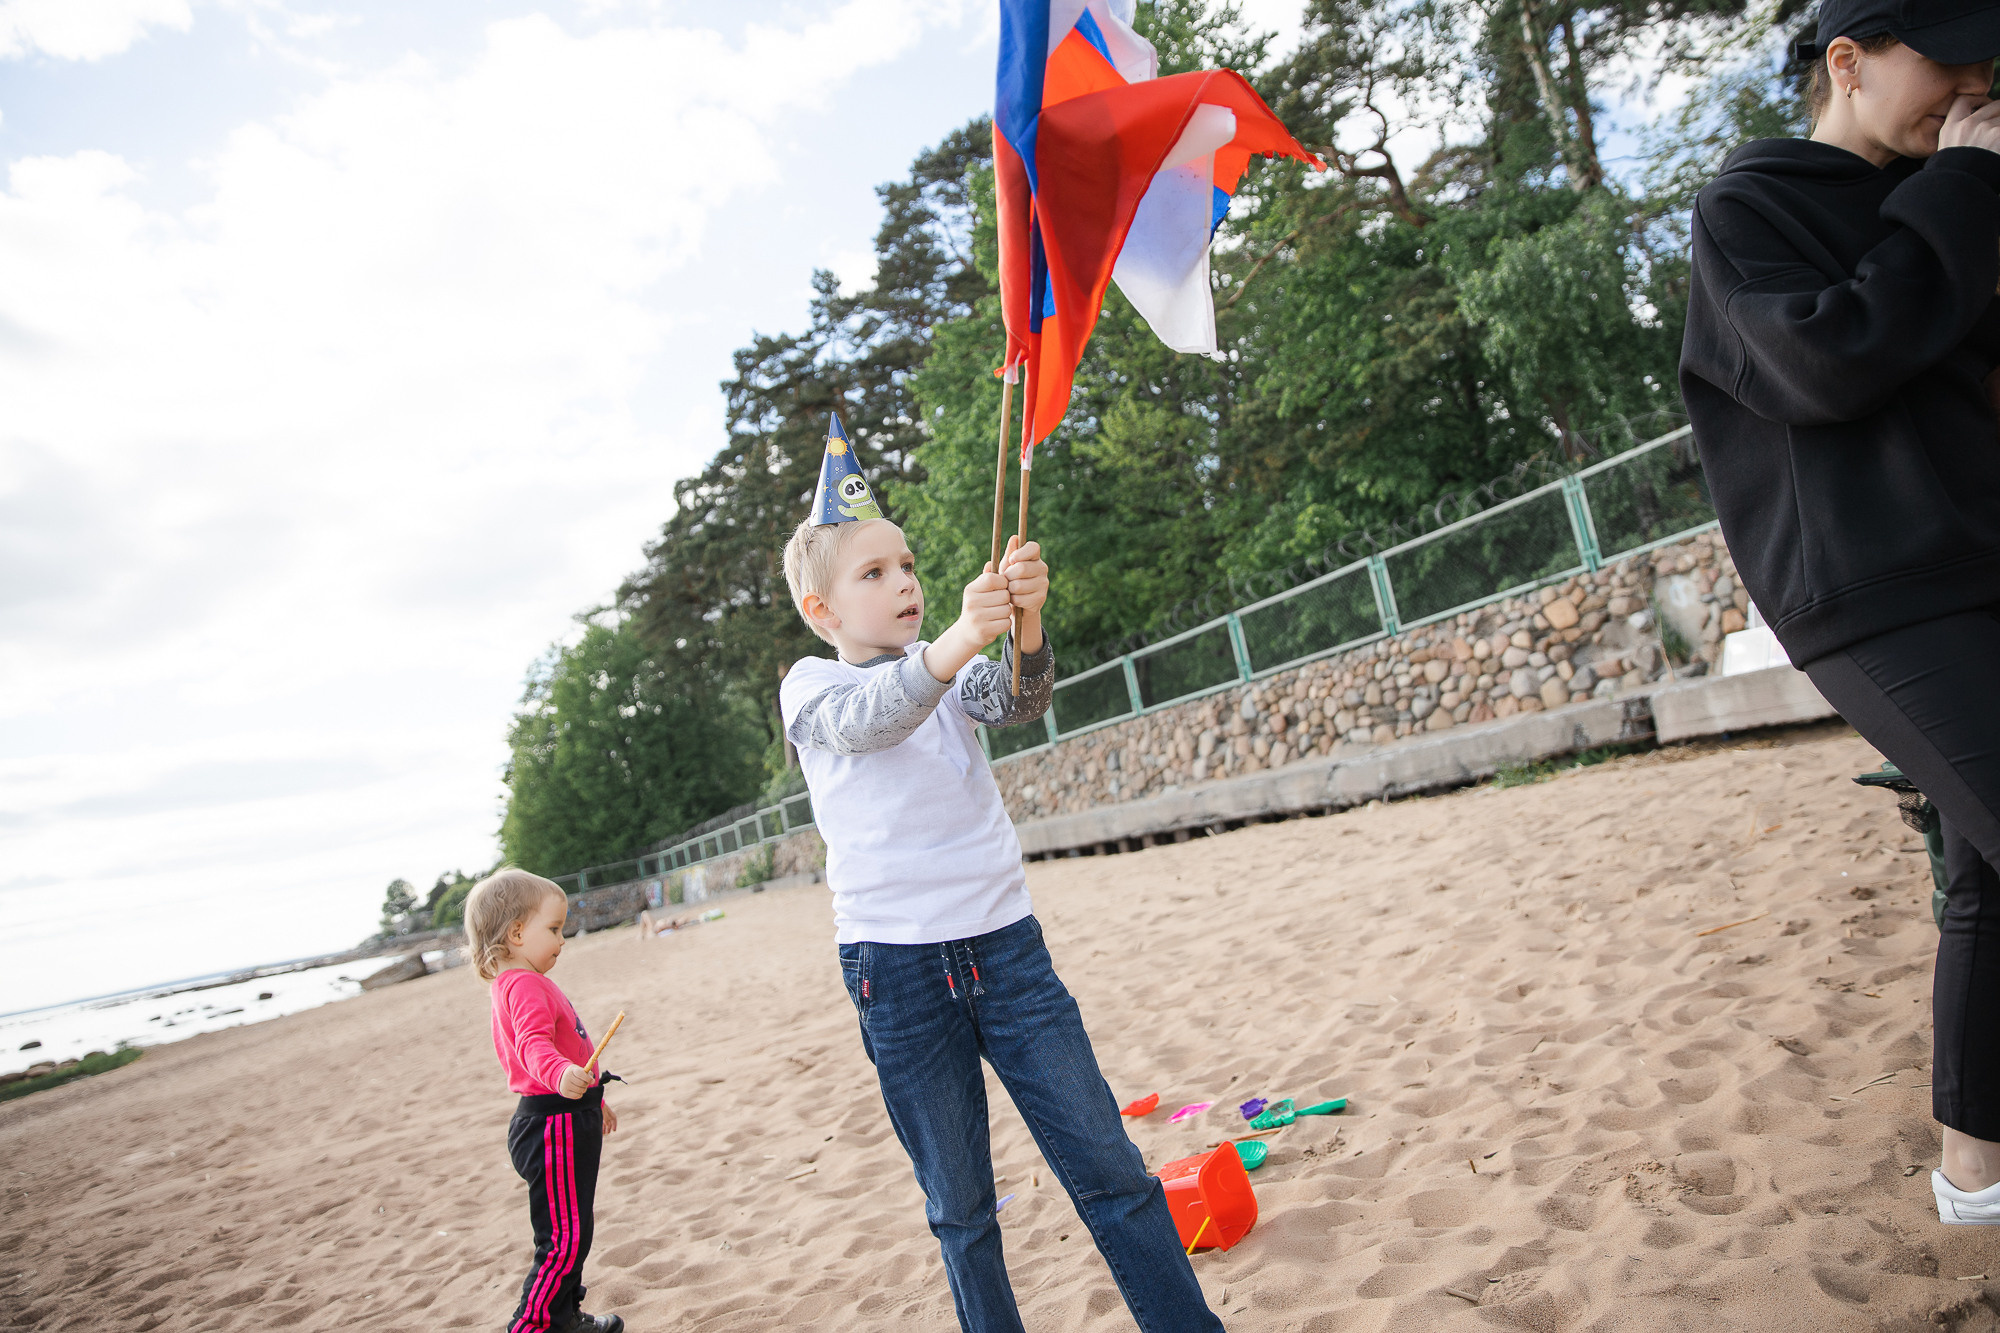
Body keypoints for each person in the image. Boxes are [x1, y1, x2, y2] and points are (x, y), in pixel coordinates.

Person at [776, 417, 1223, 1333]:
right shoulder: (811, 687)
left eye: (906, 565)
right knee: (963, 1211)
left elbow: (1018, 697)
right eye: (873, 573)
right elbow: (875, 719)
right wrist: (953, 641)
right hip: (894, 973)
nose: (903, 581)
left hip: (1005, 951)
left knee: (1112, 1171)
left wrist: (1024, 620)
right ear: (822, 610)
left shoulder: (945, 667)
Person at [1680, 0, 2000, 1225]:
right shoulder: (1747, 205)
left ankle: (1973, 1173)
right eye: (1948, 53)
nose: (1973, 79)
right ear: (1847, 62)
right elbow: (1830, 357)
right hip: (1869, 591)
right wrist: (1963, 196)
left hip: (1975, 557)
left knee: (1979, 872)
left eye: (1987, 57)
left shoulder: (1958, 187)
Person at [465, 869, 625, 1332]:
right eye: (553, 928)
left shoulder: (521, 981)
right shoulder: (524, 985)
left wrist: (593, 1099)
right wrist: (562, 1076)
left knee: (575, 1233)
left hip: (567, 1114)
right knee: (562, 1238)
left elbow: (568, 1047)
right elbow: (534, 1047)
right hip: (552, 1124)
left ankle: (564, 1315)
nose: (563, 938)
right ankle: (535, 1324)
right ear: (516, 932)